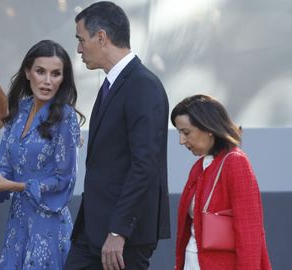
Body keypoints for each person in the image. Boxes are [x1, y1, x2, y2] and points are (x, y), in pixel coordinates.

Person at [65, 2, 170, 270]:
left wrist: (118, 231)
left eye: (81, 40)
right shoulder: (112, 83)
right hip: (94, 231)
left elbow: (145, 164)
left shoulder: (143, 85)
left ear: (101, 37)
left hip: (121, 237)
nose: (78, 49)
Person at [0, 39, 84, 269]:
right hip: (18, 224)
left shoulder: (66, 117)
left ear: (64, 79)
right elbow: (3, 165)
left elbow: (64, 182)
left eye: (56, 74)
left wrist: (13, 186)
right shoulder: (20, 110)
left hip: (49, 227)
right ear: (27, 71)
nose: (47, 81)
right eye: (40, 71)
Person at [171, 94, 272, 270]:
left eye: (186, 132)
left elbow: (250, 233)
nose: (181, 141)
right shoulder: (199, 166)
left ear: (208, 127)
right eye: (179, 133)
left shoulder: (235, 162)